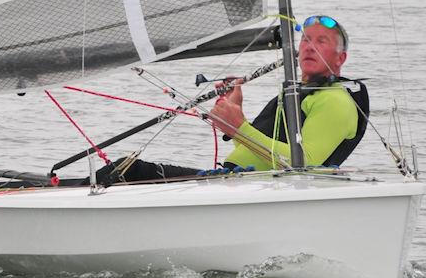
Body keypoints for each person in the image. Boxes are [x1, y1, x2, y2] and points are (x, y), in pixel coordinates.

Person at [92, 15, 367, 185]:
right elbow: (259, 149)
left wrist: (239, 127)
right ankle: (57, 189)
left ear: (340, 58)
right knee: (123, 171)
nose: (309, 46)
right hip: (239, 182)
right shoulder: (298, 92)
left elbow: (302, 163)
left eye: (321, 41)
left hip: (255, 189)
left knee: (129, 171)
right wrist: (237, 113)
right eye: (306, 39)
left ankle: (59, 196)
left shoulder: (335, 102)